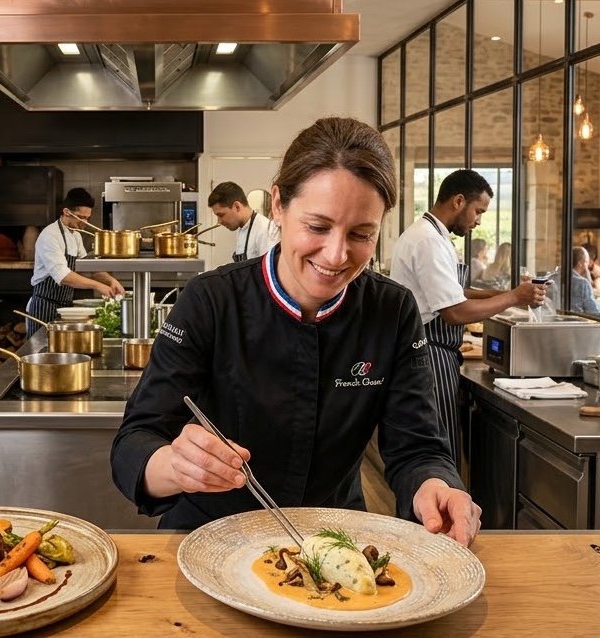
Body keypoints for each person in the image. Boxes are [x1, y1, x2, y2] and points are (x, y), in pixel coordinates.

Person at [110, 117, 481, 547]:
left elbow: (417, 448)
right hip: (208, 539)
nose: (337, 254)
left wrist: (434, 486)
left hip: (335, 542)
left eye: (362, 234)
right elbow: (134, 441)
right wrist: (175, 465)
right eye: (318, 227)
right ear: (278, 206)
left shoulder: (391, 310)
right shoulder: (210, 301)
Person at [389, 169, 545, 450]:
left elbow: (455, 293)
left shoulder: (433, 234)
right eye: (479, 211)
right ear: (459, 201)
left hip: (434, 352)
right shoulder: (428, 241)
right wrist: (512, 297)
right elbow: (455, 313)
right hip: (428, 353)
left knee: (437, 445)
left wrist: (515, 296)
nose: (478, 221)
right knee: (439, 449)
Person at [25, 188, 125, 334]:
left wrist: (110, 281)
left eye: (87, 218)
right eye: (81, 217)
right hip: (44, 306)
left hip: (64, 309)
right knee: (41, 351)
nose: (84, 222)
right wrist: (98, 286)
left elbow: (89, 268)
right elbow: (64, 276)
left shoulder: (75, 235)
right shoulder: (50, 235)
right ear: (66, 212)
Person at [208, 181, 280, 262]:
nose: (219, 221)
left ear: (237, 207)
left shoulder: (265, 231)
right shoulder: (241, 228)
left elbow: (268, 270)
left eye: (221, 215)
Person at [564, 246, 600, 316]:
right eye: (587, 263)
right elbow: (595, 312)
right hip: (576, 323)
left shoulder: (553, 277)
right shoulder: (582, 283)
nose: (588, 267)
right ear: (581, 263)